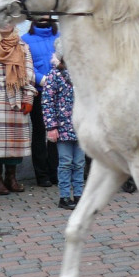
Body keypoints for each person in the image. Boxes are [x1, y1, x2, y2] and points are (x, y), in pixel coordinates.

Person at [0, 24, 36, 193]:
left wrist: (28, 98)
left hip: (17, 96)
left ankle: (11, 178)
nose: (5, 23)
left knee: (15, 140)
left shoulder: (22, 46)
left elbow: (29, 73)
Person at [42, 40, 84, 210]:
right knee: (66, 161)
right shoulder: (54, 76)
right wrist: (51, 126)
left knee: (80, 162)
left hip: (81, 126)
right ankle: (65, 196)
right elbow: (47, 102)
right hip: (63, 127)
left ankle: (80, 195)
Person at [22, 17, 59, 187]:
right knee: (39, 132)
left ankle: (56, 171)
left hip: (60, 92)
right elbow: (26, 66)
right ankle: (41, 174)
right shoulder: (25, 40)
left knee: (58, 133)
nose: (43, 16)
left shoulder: (60, 36)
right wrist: (42, 80)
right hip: (39, 91)